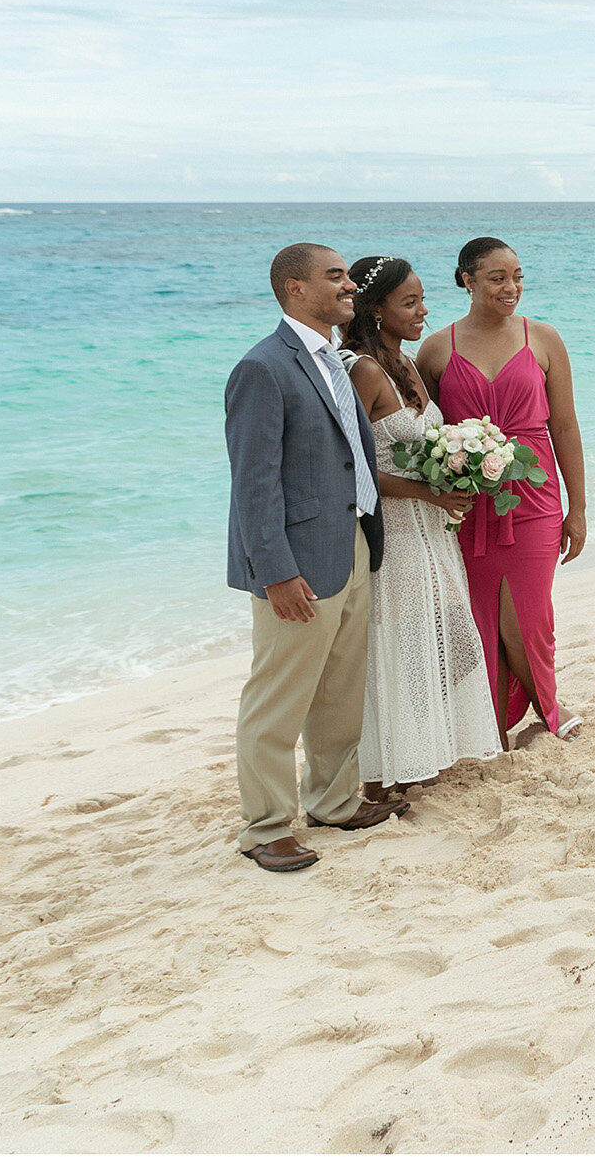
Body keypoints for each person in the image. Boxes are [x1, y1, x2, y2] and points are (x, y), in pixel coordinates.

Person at [224, 243, 402, 872]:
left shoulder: (334, 360)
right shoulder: (263, 368)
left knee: (339, 686)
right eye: (335, 276)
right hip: (295, 559)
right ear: (295, 289)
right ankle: (267, 826)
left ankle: (331, 800)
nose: (349, 284)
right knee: (279, 695)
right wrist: (275, 572)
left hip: (351, 541)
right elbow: (253, 482)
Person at [342, 256, 502, 800]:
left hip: (432, 528)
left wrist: (459, 471)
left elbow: (427, 442)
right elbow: (351, 467)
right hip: (397, 529)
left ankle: (424, 751)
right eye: (409, 302)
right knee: (403, 645)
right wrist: (425, 491)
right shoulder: (362, 369)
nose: (423, 310)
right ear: (374, 309)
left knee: (449, 639)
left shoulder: (405, 362)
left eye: (422, 299)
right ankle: (385, 772)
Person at [418, 238, 588, 746]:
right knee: (480, 621)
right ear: (466, 281)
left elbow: (566, 428)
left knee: (528, 618)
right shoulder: (436, 349)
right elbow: (422, 431)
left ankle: (546, 706)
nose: (511, 287)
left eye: (517, 276)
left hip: (534, 498)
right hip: (468, 505)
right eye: (496, 278)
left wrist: (577, 509)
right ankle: (489, 721)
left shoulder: (544, 338)